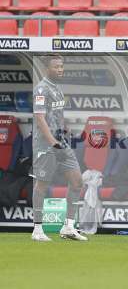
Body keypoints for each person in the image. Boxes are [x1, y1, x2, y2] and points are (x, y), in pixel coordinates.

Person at [32, 54, 87, 241]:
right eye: (56, 67)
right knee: (42, 185)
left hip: (61, 143)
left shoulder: (58, 89)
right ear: (48, 68)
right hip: (46, 145)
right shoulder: (41, 89)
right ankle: (37, 230)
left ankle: (69, 227)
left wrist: (64, 133)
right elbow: (40, 119)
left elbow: (57, 116)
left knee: (78, 181)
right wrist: (52, 142)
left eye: (62, 66)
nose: (60, 70)